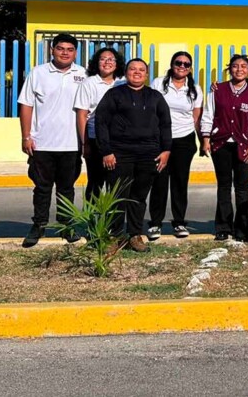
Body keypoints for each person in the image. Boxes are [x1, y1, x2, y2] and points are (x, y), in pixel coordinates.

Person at [95, 58, 172, 252]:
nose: (137, 72)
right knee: (118, 195)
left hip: (148, 154)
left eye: (141, 70)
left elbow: (165, 124)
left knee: (139, 196)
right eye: (132, 69)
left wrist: (166, 150)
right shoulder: (114, 94)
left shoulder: (155, 97)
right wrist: (106, 151)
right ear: (126, 72)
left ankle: (134, 235)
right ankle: (114, 236)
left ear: (146, 74)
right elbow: (101, 122)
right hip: (120, 153)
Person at [18, 33, 86, 248]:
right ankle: (39, 225)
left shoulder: (83, 74)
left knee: (67, 188)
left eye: (70, 49)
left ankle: (66, 226)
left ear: (75, 53)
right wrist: (26, 136)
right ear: (52, 50)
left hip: (72, 144)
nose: (65, 53)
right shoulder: (38, 73)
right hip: (42, 143)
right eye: (60, 48)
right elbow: (26, 105)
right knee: (42, 188)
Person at [200, 54, 248, 241]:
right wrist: (206, 139)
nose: (239, 69)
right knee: (224, 186)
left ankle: (242, 229)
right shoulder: (217, 90)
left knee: (242, 187)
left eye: (243, 66)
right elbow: (208, 115)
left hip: (244, 145)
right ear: (229, 69)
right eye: (235, 66)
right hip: (220, 144)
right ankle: (223, 227)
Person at [147, 51, 203, 241]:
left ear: (190, 68)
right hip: (160, 139)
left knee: (180, 183)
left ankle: (179, 222)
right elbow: (151, 110)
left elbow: (196, 118)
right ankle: (155, 223)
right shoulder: (158, 83)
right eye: (178, 63)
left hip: (184, 140)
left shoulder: (195, 89)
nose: (182, 66)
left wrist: (202, 141)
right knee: (159, 182)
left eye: (186, 64)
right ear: (172, 64)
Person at [74, 47, 126, 203]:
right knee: (96, 181)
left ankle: (112, 217)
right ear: (97, 63)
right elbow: (82, 114)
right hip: (95, 138)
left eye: (111, 59)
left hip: (119, 140)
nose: (107, 62)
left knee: (116, 183)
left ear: (117, 63)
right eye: (103, 59)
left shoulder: (123, 82)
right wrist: (85, 143)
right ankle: (92, 216)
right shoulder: (89, 83)